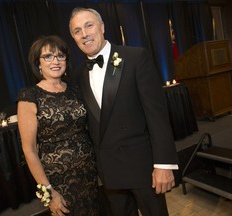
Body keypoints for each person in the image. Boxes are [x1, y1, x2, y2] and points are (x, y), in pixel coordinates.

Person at [69, 7, 179, 216]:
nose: (84, 34)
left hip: (144, 168)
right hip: (110, 173)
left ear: (102, 27)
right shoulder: (78, 76)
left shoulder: (136, 58)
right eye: (77, 31)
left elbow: (157, 116)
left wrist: (164, 164)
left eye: (88, 25)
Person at [17, 35, 100, 216]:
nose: (55, 61)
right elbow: (29, 149)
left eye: (60, 56)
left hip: (89, 173)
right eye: (48, 56)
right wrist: (48, 193)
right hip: (58, 181)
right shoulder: (29, 97)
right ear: (38, 63)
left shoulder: (75, 89)